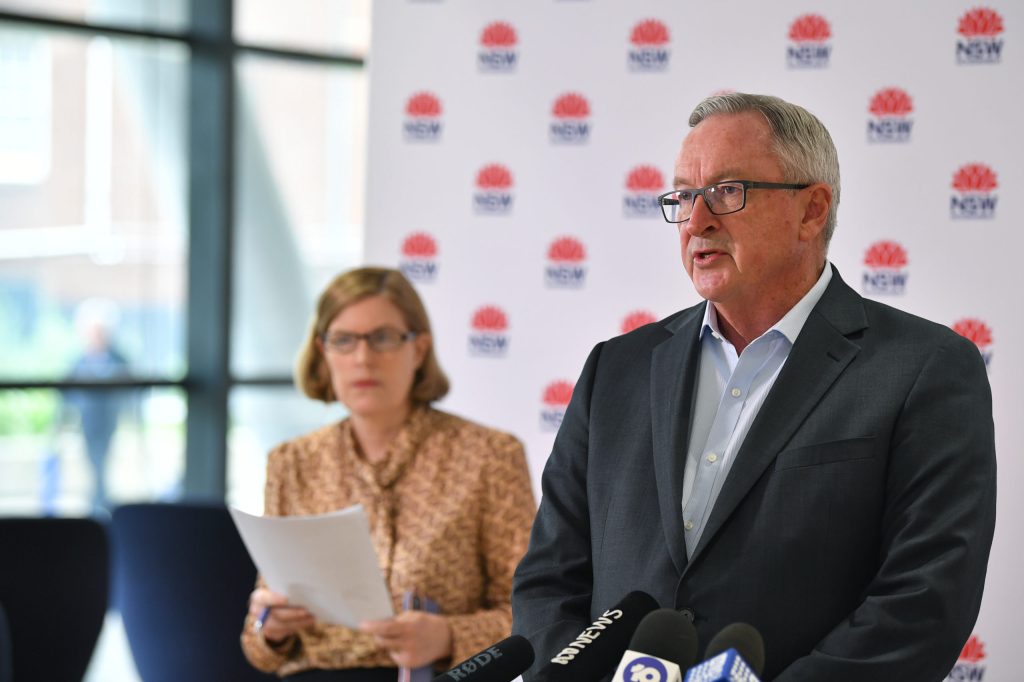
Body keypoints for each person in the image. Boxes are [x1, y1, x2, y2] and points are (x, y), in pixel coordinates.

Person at [511, 93, 997, 681]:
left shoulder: (924, 368)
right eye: (684, 196)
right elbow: (549, 582)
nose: (696, 221)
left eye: (726, 191)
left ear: (812, 210)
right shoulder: (616, 369)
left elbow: (922, 602)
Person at [241, 267, 536, 681]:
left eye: (382, 338)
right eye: (344, 340)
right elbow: (260, 650)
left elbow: (533, 614)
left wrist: (449, 637)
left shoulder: (490, 455)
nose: (363, 358)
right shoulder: (291, 462)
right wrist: (269, 627)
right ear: (323, 352)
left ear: (419, 349)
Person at [62, 298, 129, 514]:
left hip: (109, 420)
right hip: (88, 421)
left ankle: (99, 505)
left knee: (103, 462)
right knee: (93, 463)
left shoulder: (119, 360)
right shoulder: (79, 361)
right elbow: (67, 394)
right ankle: (98, 503)